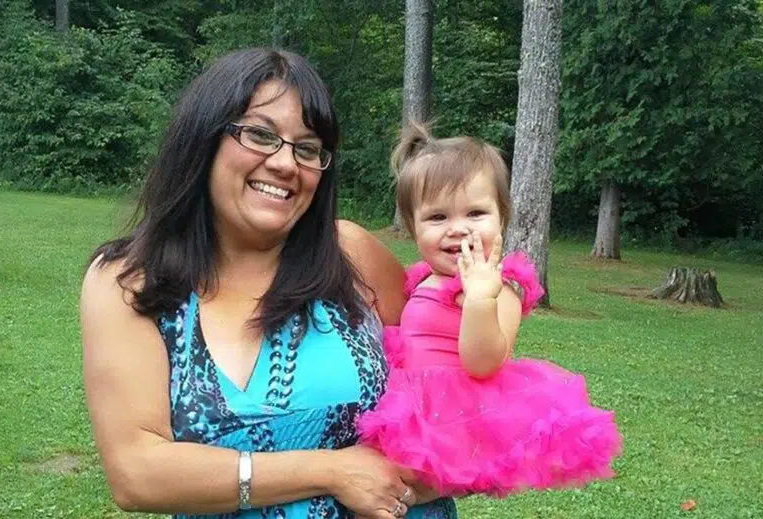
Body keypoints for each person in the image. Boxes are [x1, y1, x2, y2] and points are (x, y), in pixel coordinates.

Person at [80, 48, 457, 519]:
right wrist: (332, 471)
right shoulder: (130, 282)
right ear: (204, 138)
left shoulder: (351, 255)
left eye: (307, 148)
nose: (285, 164)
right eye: (260, 135)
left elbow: (458, 387)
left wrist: (434, 473)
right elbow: (137, 473)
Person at [358, 122, 623, 498]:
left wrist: (481, 299)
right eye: (437, 217)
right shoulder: (420, 280)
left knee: (401, 489)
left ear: (502, 217)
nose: (458, 229)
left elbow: (483, 362)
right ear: (413, 227)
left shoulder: (502, 289)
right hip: (409, 406)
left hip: (455, 416)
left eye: (476, 213)